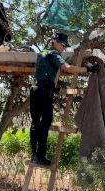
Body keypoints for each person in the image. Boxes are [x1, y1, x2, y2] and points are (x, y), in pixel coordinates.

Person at [30, 32, 99, 165]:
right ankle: (40, 157)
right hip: (44, 90)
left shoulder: (42, 53)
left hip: (35, 89)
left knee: (35, 123)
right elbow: (67, 68)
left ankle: (34, 155)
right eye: (62, 45)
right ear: (55, 42)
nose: (63, 48)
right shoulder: (54, 54)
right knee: (45, 122)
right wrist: (87, 69)